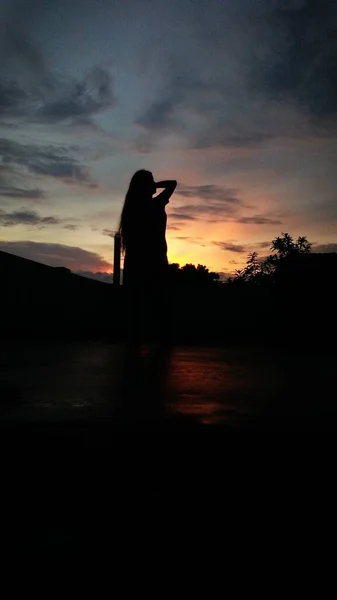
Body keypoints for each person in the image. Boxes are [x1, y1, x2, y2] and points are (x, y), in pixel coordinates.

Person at [119, 170, 177, 342]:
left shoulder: (132, 209)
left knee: (136, 304)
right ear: (146, 186)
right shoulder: (155, 204)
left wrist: (149, 184)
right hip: (155, 260)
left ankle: (135, 345)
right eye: (150, 181)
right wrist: (155, 185)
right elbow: (173, 183)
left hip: (135, 260)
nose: (154, 183)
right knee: (159, 303)